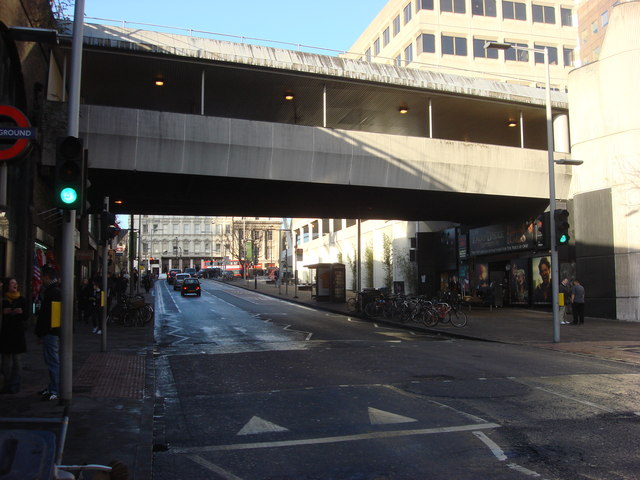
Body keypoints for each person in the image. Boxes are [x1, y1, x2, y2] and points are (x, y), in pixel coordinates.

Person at [35, 266, 61, 401]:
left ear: (46, 277)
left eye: (42, 277)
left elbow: (50, 316)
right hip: (50, 331)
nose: (41, 279)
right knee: (51, 360)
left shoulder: (53, 292)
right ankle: (52, 387)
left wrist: (44, 331)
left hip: (51, 332)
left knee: (53, 360)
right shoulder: (52, 291)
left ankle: (55, 389)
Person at [1, 278, 28, 394]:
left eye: (16, 283)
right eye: (12, 283)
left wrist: (20, 312)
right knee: (6, 362)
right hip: (5, 333)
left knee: (17, 361)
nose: (15, 285)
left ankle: (15, 385)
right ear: (7, 286)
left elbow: (26, 315)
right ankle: (5, 383)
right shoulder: (3, 300)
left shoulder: (21, 299)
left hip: (17, 333)